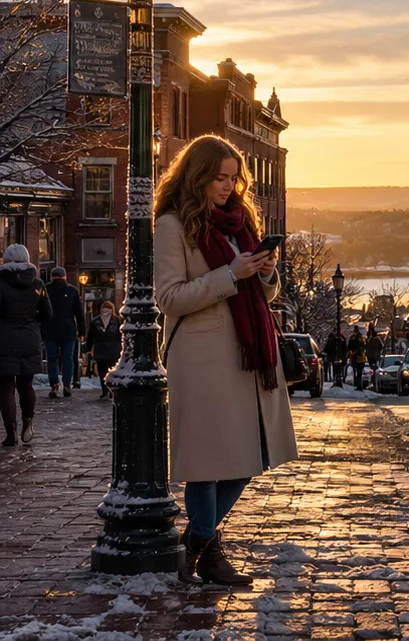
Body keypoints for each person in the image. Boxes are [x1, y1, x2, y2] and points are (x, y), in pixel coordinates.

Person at [154, 134, 298, 586]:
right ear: (196, 175)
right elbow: (169, 298)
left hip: (246, 354)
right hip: (201, 358)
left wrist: (266, 273)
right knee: (207, 459)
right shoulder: (172, 225)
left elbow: (261, 293)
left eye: (233, 179)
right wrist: (230, 274)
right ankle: (207, 551)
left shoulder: (240, 222)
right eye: (218, 178)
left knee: (248, 456)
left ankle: (197, 543)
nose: (227, 187)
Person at [0, 244, 51, 446]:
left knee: (5, 388)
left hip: (4, 339)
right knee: (26, 385)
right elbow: (48, 314)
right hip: (30, 339)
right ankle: (28, 421)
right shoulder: (37, 284)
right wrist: (32, 320)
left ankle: (10, 431)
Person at [43, 267, 84, 398]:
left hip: (50, 329)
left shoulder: (46, 289)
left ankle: (54, 384)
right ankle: (67, 384)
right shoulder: (72, 291)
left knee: (52, 359)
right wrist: (82, 332)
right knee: (68, 358)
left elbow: (39, 310)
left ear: (52, 277)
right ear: (65, 277)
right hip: (68, 330)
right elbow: (79, 313)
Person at [87, 301, 124, 399]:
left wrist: (88, 349)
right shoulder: (117, 320)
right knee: (112, 371)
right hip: (113, 350)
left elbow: (90, 336)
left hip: (101, 349)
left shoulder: (96, 321)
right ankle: (110, 390)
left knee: (102, 371)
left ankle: (105, 390)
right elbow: (121, 336)